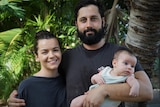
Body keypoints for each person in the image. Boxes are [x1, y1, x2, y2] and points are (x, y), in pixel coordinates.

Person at [8, 0, 153, 107]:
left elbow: (147, 91)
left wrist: (104, 91)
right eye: (83, 20)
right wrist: (19, 95)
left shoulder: (121, 55)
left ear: (102, 21)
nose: (88, 24)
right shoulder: (67, 57)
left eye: (93, 19)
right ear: (76, 24)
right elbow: (46, 79)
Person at [70, 47, 140, 107]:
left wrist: (135, 87)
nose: (129, 68)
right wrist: (96, 78)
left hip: (108, 103)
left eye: (132, 66)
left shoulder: (127, 77)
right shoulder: (105, 70)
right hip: (91, 96)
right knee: (75, 103)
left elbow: (134, 82)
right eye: (126, 63)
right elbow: (93, 78)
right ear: (115, 63)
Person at [16, 30, 66, 107]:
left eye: (55, 50)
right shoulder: (27, 86)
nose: (51, 55)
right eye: (45, 52)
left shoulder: (68, 80)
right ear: (36, 56)